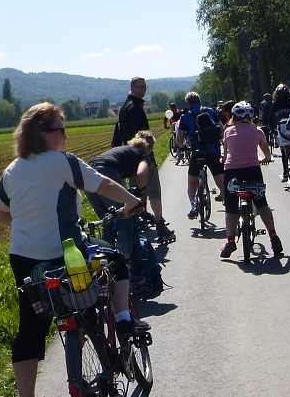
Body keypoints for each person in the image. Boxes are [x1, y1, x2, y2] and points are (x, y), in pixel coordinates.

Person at [0, 103, 148, 397]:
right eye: (61, 129)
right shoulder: (61, 162)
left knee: (31, 330)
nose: (66, 135)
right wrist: (131, 201)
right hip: (65, 253)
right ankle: (122, 321)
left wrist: (27, 226)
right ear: (42, 134)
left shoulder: (12, 170)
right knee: (115, 260)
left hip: (24, 259)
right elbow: (103, 185)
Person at [87, 131, 167, 266]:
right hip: (107, 174)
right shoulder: (142, 154)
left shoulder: (125, 150)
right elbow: (142, 174)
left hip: (88, 174)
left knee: (109, 220)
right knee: (126, 220)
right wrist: (139, 195)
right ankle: (124, 265)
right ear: (148, 148)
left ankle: (106, 262)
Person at [219, 101, 283, 258]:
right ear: (251, 117)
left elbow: (226, 154)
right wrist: (266, 159)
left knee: (231, 208)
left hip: (232, 171)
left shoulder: (228, 131)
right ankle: (273, 236)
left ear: (233, 116)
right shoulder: (257, 131)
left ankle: (230, 241)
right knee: (262, 204)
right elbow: (267, 153)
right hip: (252, 170)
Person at [114, 77, 174, 242]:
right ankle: (160, 224)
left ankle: (140, 220)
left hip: (129, 155)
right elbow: (145, 137)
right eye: (141, 87)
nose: (144, 89)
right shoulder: (136, 108)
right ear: (132, 87)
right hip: (142, 156)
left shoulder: (124, 107)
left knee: (138, 189)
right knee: (154, 189)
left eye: (145, 86)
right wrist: (150, 158)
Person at [176, 91, 225, 219]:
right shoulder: (210, 111)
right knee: (220, 179)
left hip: (197, 152)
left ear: (187, 103)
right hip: (213, 151)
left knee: (192, 182)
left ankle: (193, 206)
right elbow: (222, 129)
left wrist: (182, 147)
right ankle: (228, 203)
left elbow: (179, 139)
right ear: (200, 100)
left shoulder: (185, 117)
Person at [270, 84, 290, 182]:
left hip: (281, 129)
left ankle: (285, 172)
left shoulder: (275, 104)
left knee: (283, 151)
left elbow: (271, 118)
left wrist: (272, 129)